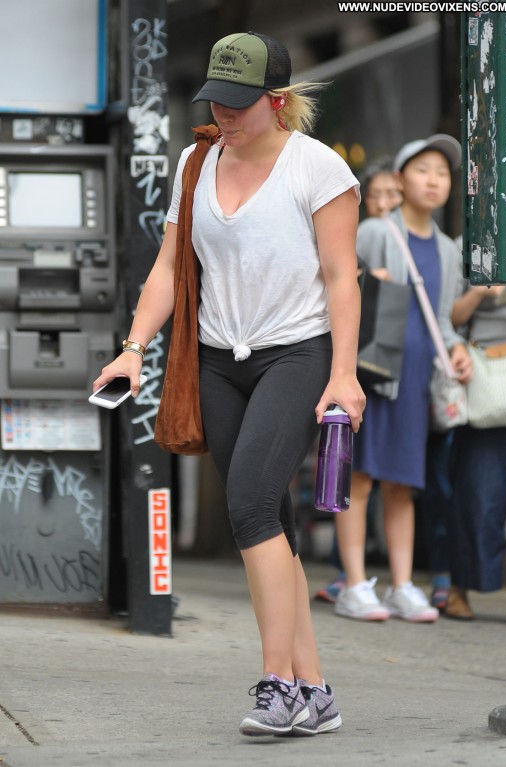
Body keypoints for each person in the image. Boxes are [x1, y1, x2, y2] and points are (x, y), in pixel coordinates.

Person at [92, 32, 365, 735]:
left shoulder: (318, 168)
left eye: (240, 103)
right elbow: (168, 267)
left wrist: (343, 373)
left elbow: (342, 278)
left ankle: (279, 685)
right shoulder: (196, 162)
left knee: (249, 506)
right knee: (269, 520)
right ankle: (316, 691)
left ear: (278, 100)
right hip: (218, 359)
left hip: (296, 354)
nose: (225, 113)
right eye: (217, 99)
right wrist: (132, 350)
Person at [333, 135, 473, 623]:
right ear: (400, 179)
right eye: (423, 170)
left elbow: (443, 320)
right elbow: (338, 287)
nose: (434, 180)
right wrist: (366, 282)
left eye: (443, 173)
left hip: (416, 382)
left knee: (402, 484)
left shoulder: (448, 250)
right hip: (372, 378)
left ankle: (401, 585)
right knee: (359, 479)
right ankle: (354, 585)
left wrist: (457, 349)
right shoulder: (375, 232)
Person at [315, 157, 402, 604]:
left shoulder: (407, 235)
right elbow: (342, 276)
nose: (385, 203)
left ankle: (352, 575)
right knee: (356, 473)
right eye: (379, 195)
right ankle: (349, 575)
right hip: (364, 366)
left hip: (379, 367)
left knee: (365, 475)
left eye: (393, 195)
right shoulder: (366, 232)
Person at [445, 273, 506, 622]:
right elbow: (448, 315)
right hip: (485, 373)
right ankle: (459, 586)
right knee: (478, 491)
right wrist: (478, 292)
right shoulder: (477, 247)